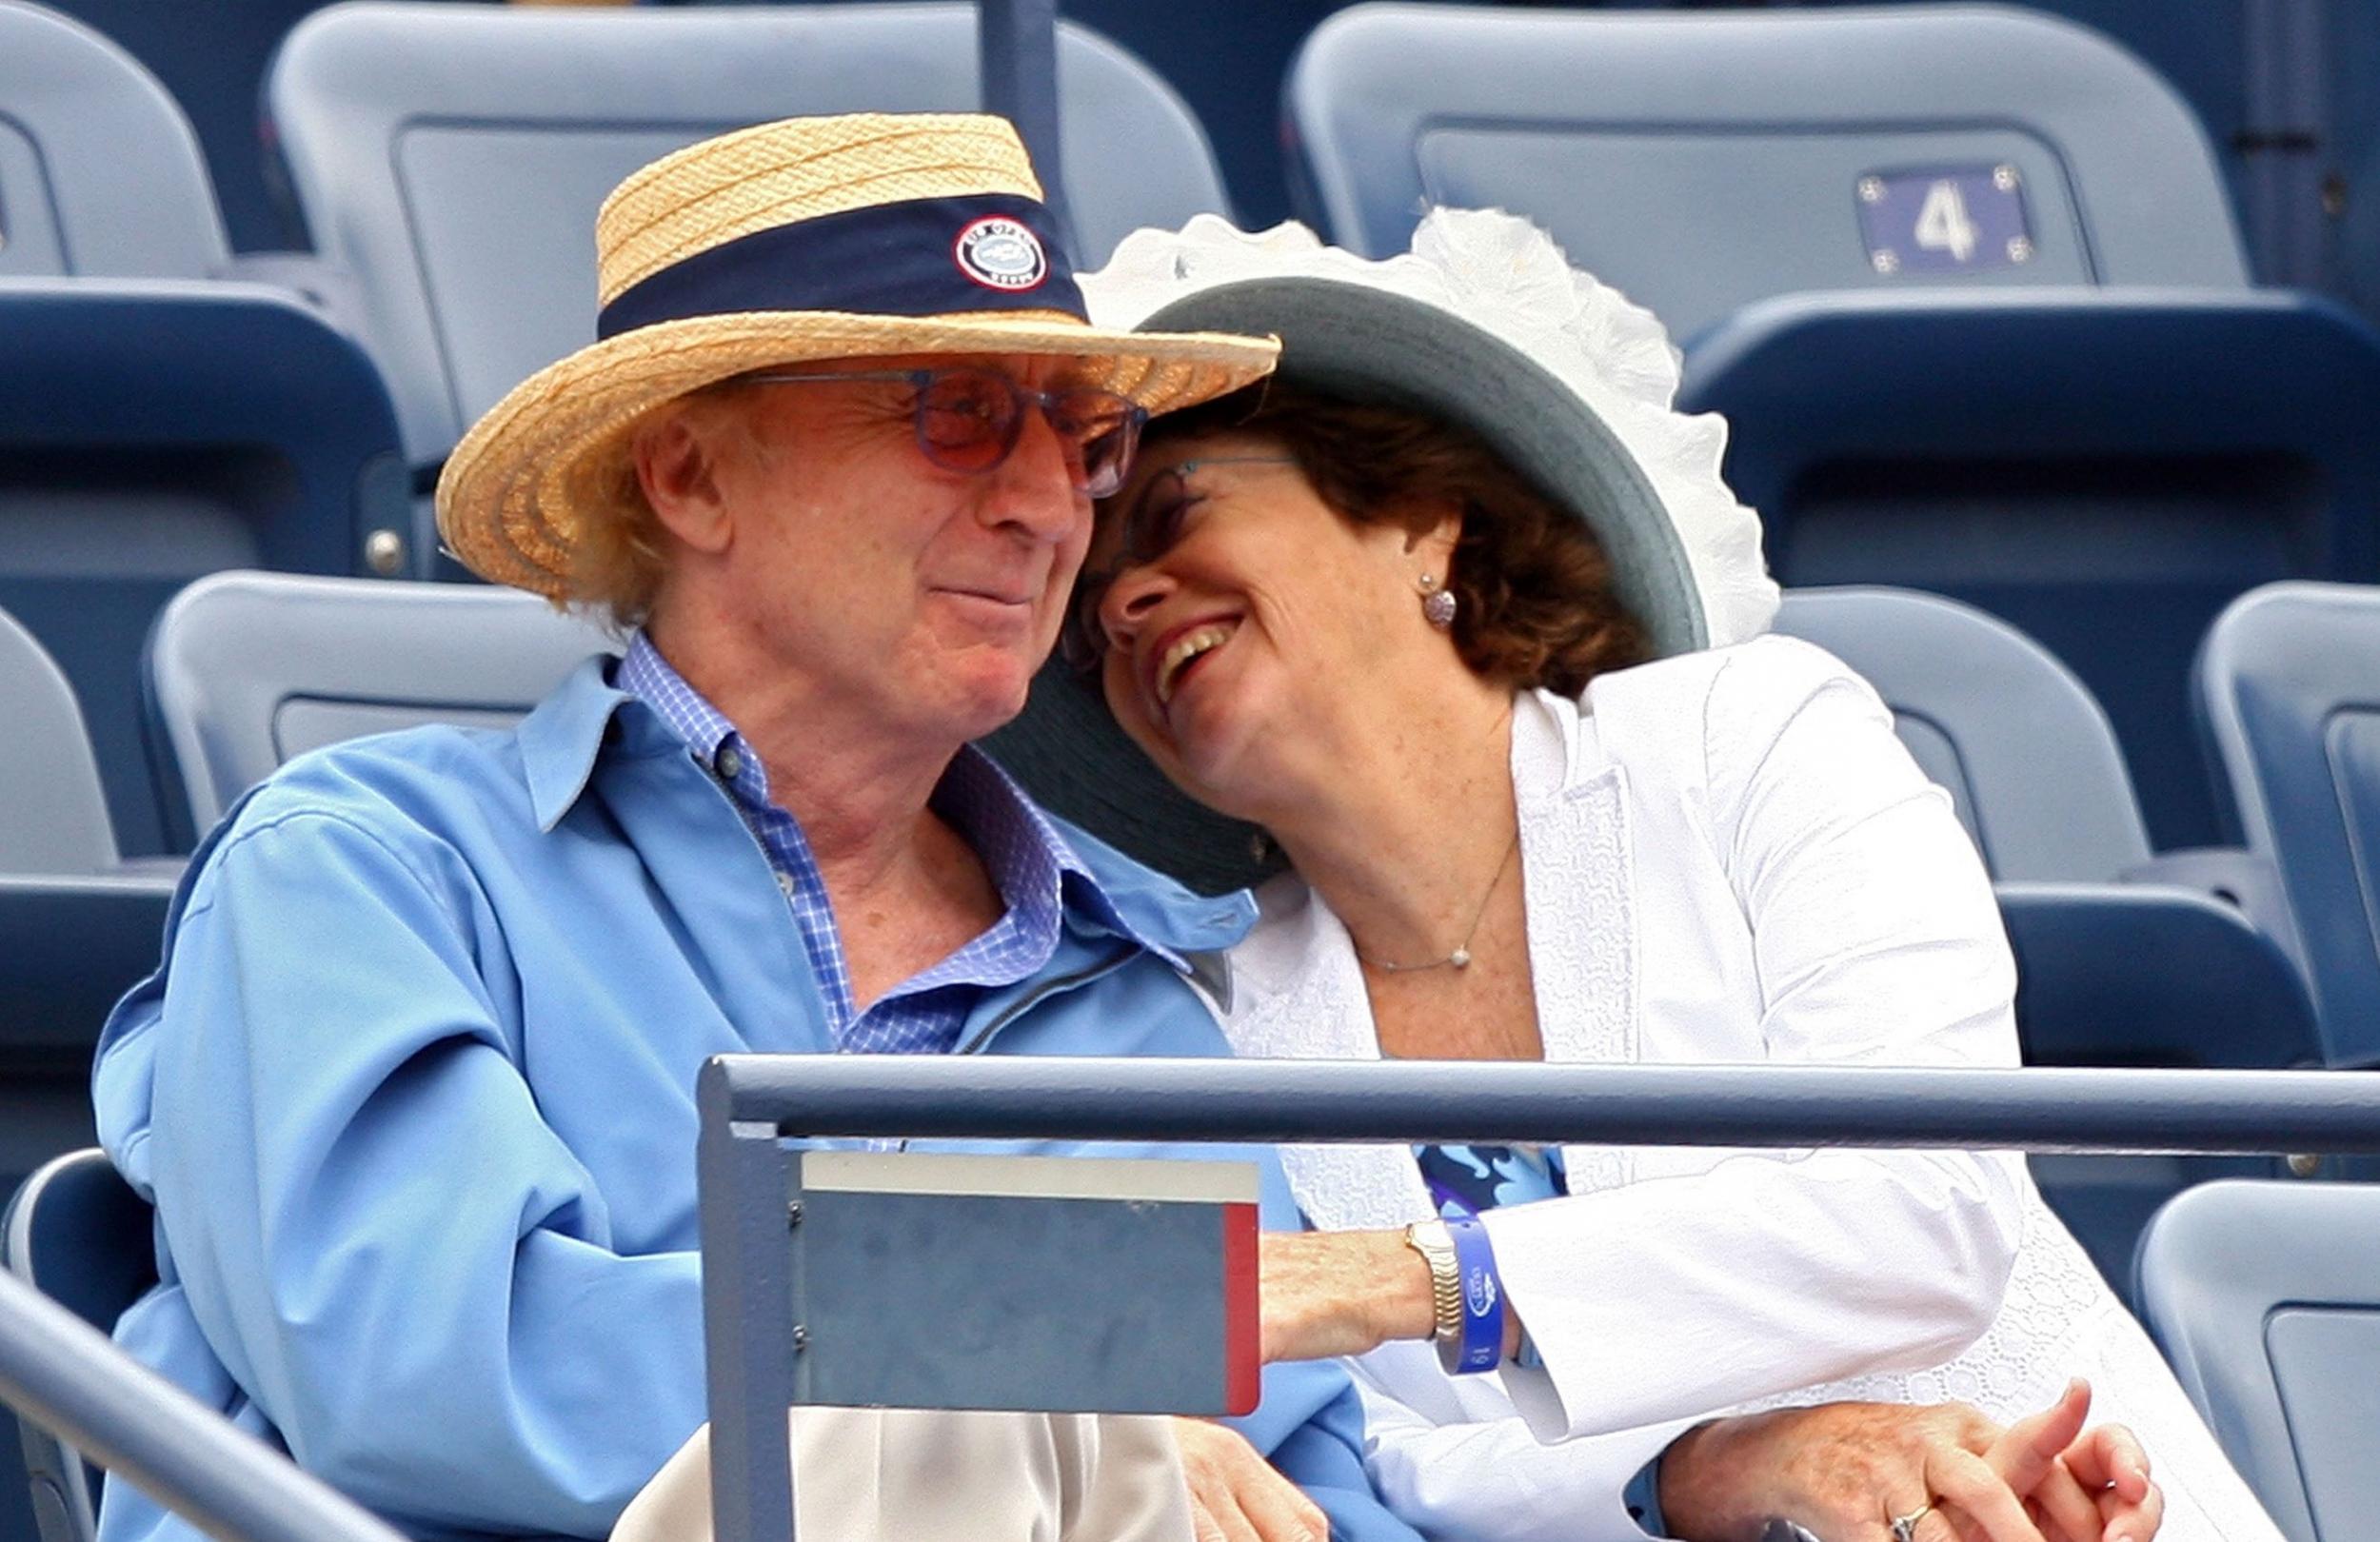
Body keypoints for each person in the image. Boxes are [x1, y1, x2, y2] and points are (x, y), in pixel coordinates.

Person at [90, 115, 2163, 1542]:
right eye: (952, 412)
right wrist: (1090, 1391)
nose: (1047, 505)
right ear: (692, 479)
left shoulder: (1136, 1006)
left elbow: (1339, 1488)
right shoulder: (371, 865)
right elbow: (453, 1360)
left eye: (1081, 443)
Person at [1001, 209, 2283, 1542]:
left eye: (1173, 513)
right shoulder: (1210, 1011)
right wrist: (1718, 1468)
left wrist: (1399, 1280)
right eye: (1089, 604)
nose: (1123, 602)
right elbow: (1378, 1463)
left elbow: (1926, 1203)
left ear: (1420, 524)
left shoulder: (1752, 738)